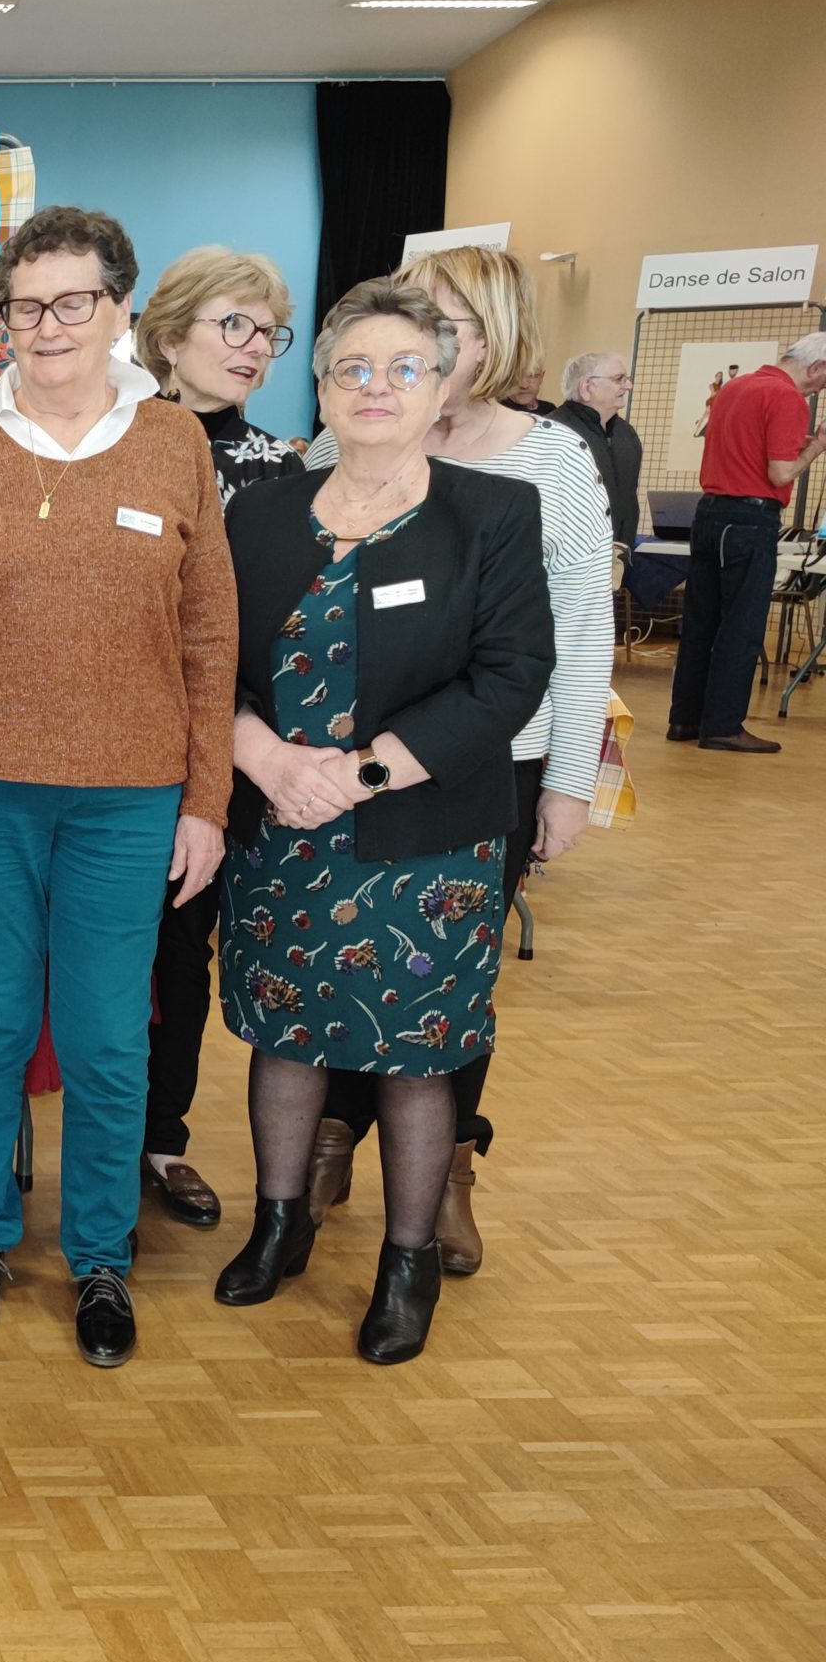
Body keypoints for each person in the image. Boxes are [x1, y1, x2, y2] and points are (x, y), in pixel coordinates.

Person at [0, 204, 234, 1372]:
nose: (46, 325)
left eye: (73, 301)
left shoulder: (175, 444)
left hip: (128, 796)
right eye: (25, 306)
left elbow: (209, 637)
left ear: (120, 310)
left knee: (102, 1039)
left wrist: (208, 800)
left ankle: (98, 1258)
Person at [215, 280, 554, 1363]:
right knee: (285, 1031)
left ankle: (408, 1262)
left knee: (413, 1055)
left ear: (441, 382)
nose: (374, 387)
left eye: (402, 368)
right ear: (317, 385)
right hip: (278, 825)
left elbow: (511, 678)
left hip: (426, 840)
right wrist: (267, 760)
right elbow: (203, 660)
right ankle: (278, 1227)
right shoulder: (260, 512)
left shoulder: (490, 513)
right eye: (350, 368)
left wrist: (353, 777)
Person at [303, 244, 611, 1272]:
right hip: (345, 765)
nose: (409, 353)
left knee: (443, 985)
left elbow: (579, 627)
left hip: (491, 765)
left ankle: (445, 1175)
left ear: (491, 342)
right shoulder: (337, 440)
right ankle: (333, 1138)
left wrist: (571, 783)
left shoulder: (547, 461)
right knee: (340, 949)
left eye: (445, 331)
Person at [130, 246, 309, 1230]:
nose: (251, 348)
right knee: (121, 959)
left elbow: (280, 624)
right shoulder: (114, 441)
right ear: (169, 338)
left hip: (234, 750)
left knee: (186, 956)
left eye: (266, 333)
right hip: (122, 745)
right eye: (229, 326)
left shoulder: (279, 469)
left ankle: (164, 1139)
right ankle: (104, 1143)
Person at [669, 333, 826, 755]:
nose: (821, 390)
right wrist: (817, 449)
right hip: (750, 518)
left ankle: (685, 717)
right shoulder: (788, 397)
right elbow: (779, 473)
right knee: (741, 624)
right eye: (823, 381)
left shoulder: (735, 388)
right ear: (815, 367)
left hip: (709, 513)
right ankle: (722, 725)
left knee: (701, 620)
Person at [550, 352, 644, 546]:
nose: (628, 386)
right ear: (586, 387)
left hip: (618, 557)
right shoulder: (553, 432)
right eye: (619, 379)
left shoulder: (626, 434)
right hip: (565, 560)